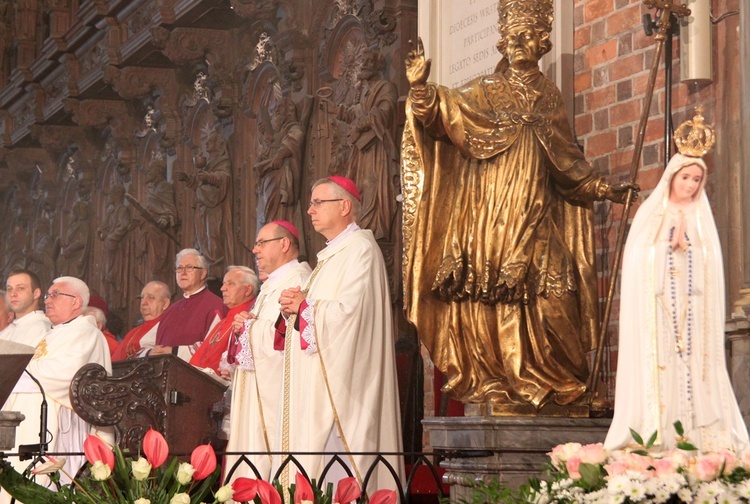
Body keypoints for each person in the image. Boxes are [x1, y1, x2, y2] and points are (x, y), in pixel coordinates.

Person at [401, 0, 636, 409]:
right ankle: (503, 380)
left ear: (543, 41)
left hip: (537, 217)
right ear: (503, 42)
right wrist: (421, 89)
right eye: (513, 37)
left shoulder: (549, 98)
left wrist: (604, 189)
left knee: (555, 297)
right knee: (495, 304)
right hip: (490, 219)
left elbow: (567, 162)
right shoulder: (485, 91)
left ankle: (561, 382)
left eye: (528, 36)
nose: (520, 43)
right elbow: (439, 116)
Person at [605, 112, 750, 452]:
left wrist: (693, 252)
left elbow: (712, 270)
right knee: (661, 370)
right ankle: (657, 437)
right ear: (672, 177)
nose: (690, 185)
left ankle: (700, 439)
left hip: (693, 318)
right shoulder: (651, 215)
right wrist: (665, 249)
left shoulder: (703, 221)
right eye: (685, 177)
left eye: (697, 180)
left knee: (693, 374)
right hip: (658, 315)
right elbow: (639, 261)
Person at [277, 177, 403, 491]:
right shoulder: (333, 255)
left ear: (344, 206)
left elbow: (352, 316)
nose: (309, 210)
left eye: (318, 202)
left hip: (345, 388)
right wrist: (298, 307)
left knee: (339, 473)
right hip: (320, 382)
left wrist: (306, 306)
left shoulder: (360, 249)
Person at [1, 276, 112, 499]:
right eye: (48, 295)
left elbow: (65, 374)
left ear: (76, 302)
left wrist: (16, 372)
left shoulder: (87, 333)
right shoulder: (53, 333)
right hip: (30, 418)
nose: (47, 300)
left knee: (43, 486)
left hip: (57, 421)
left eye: (55, 295)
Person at [224, 220, 311, 481]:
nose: (255, 250)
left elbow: (288, 339)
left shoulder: (298, 280)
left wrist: (250, 327)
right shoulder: (272, 285)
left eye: (262, 243)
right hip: (259, 386)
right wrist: (243, 325)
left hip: (280, 392)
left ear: (284, 244)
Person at [152, 248, 227, 360]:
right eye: (179, 268)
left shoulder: (216, 306)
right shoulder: (169, 311)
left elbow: (213, 347)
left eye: (189, 267)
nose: (183, 272)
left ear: (202, 273)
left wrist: (174, 351)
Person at [189, 265, 259, 375]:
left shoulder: (248, 319)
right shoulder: (224, 321)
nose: (222, 288)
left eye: (230, 284)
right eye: (224, 283)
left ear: (248, 290)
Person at [112, 281, 171, 361]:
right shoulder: (133, 332)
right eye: (142, 298)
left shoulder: (169, 328)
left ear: (165, 304)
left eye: (151, 298)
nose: (144, 303)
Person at [0, 269, 51, 347]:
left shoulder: (41, 328)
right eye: (9, 289)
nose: (13, 294)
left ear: (36, 293)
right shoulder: (9, 329)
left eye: (20, 288)